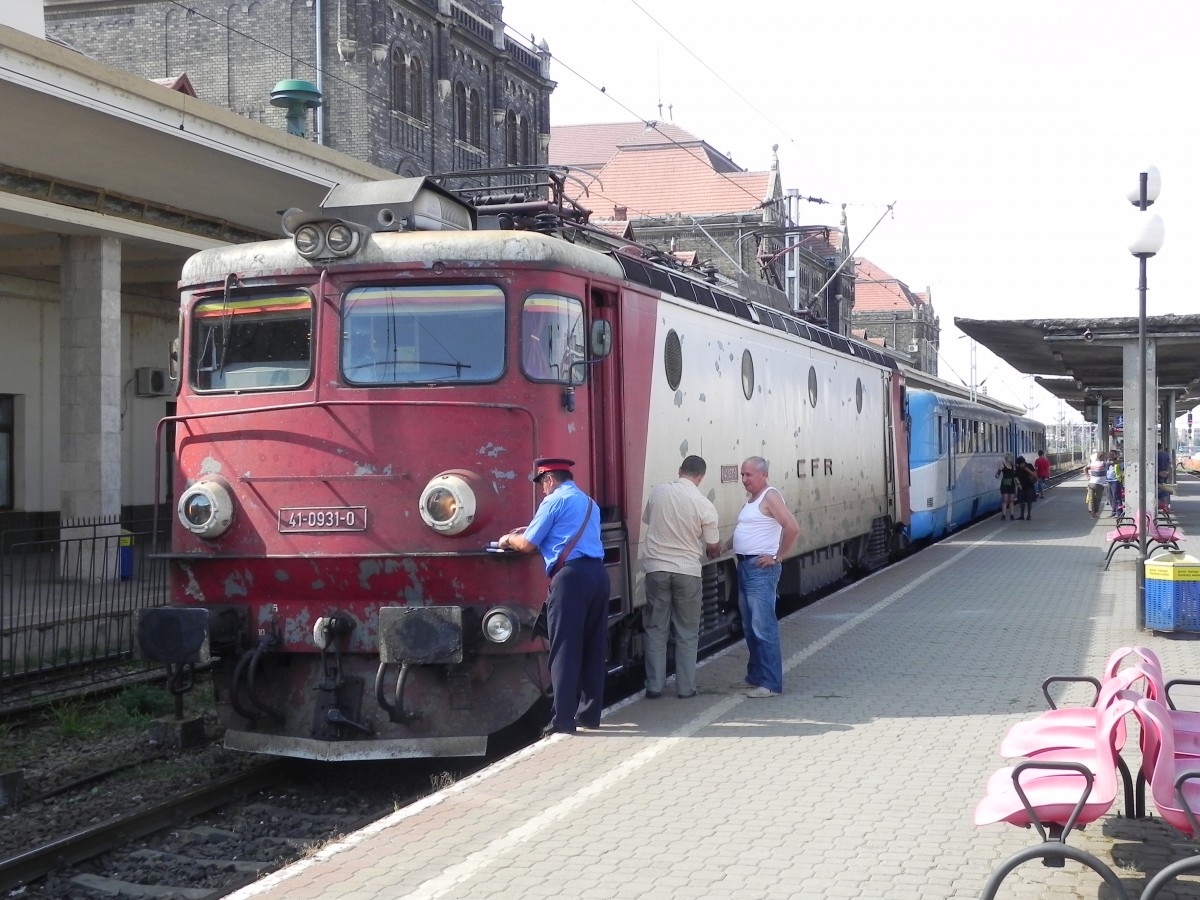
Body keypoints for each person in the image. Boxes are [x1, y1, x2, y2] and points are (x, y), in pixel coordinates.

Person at [496, 457, 608, 736]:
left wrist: (507, 539)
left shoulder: (553, 501)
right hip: (598, 576)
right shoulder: (589, 503)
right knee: (593, 646)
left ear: (549, 479)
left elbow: (526, 544)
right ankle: (590, 714)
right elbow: (564, 533)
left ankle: (563, 720)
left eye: (542, 484)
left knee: (564, 649)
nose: (542, 490)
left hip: (570, 580)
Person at [641, 455, 721, 700]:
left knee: (656, 628)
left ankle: (654, 686)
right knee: (687, 631)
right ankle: (685, 689)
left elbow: (648, 519)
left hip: (656, 569)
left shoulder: (658, 492)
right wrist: (712, 550)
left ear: (679, 471)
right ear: (701, 477)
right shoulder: (703, 504)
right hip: (687, 571)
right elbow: (713, 545)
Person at [729, 457, 799, 699]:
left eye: (748, 475)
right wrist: (724, 547)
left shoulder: (770, 496)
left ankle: (770, 684)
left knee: (763, 627)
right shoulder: (752, 500)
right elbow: (745, 531)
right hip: (745, 566)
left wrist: (777, 557)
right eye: (742, 475)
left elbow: (792, 527)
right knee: (750, 626)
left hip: (760, 570)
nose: (744, 479)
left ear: (763, 475)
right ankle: (756, 676)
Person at [1085, 451, 1107, 519]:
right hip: (1099, 484)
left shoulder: (1093, 463)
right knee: (1097, 499)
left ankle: (1092, 513)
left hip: (1091, 483)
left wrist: (1087, 476)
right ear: (1102, 457)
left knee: (1091, 499)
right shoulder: (1104, 463)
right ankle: (1095, 513)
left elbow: (1085, 468)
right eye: (1104, 456)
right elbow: (1113, 462)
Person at [1014, 456, 1037, 520]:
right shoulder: (1018, 468)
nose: (1020, 465)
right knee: (1022, 501)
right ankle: (1022, 516)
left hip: (1030, 486)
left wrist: (1027, 470)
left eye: (1020, 464)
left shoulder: (1029, 466)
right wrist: (1018, 484)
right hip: (1022, 487)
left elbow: (1034, 475)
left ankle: (1029, 515)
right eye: (1018, 464)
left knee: (1029, 501)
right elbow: (1015, 477)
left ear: (1023, 462)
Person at [995, 453, 1017, 520]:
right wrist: (997, 474)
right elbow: (998, 473)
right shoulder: (1003, 465)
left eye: (1011, 458)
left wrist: (1018, 483)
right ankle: (1004, 515)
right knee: (1005, 500)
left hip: (1012, 484)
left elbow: (1015, 476)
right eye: (1010, 457)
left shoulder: (1013, 466)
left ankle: (1012, 514)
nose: (1011, 459)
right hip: (1005, 483)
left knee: (1011, 500)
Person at [1106, 450, 1124, 517]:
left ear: (1116, 455)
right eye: (1110, 454)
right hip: (1109, 481)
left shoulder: (1119, 462)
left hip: (1116, 481)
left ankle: (1119, 513)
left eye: (1112, 454)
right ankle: (1114, 511)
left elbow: (1123, 468)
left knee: (1117, 497)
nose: (1111, 455)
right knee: (1111, 497)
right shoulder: (1108, 462)